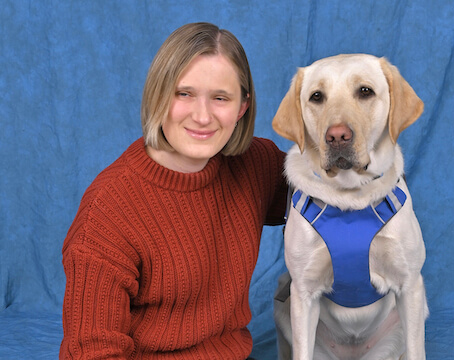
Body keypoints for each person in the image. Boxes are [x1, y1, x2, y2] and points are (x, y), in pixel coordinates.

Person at [60, 22, 288, 359]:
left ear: (242, 108)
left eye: (220, 98)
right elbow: (91, 352)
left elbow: (337, 193)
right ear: (158, 95)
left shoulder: (256, 165)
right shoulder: (108, 212)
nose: (202, 116)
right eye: (184, 93)